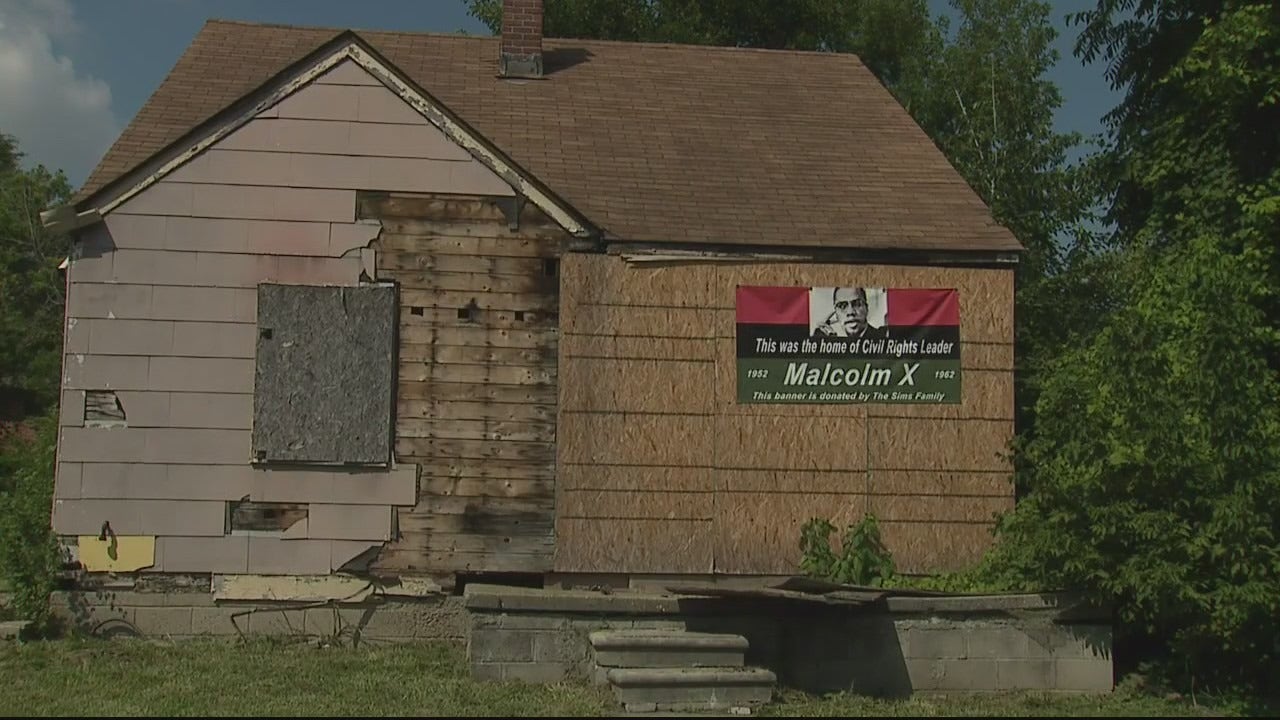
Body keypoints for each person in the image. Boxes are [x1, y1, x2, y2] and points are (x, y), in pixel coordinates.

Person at [815, 286, 886, 338]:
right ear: (836, 314)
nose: (850, 312)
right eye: (842, 306)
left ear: (866, 309)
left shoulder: (883, 336)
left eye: (857, 304)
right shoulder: (833, 341)